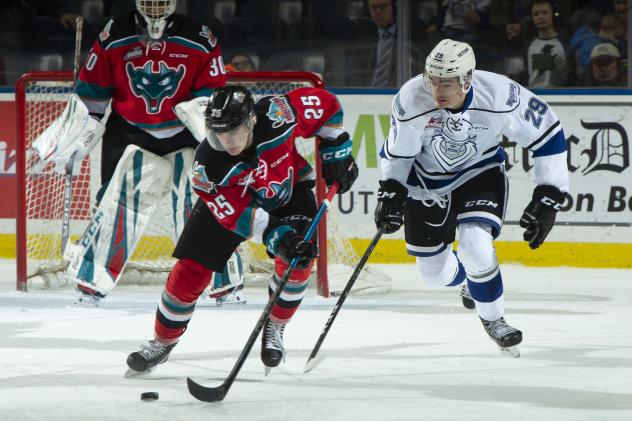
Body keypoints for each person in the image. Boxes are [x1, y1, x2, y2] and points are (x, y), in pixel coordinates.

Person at [125, 85, 359, 375]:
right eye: (219, 133)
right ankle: (161, 342)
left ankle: (275, 325)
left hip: (289, 191)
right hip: (239, 208)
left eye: (233, 131)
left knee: (298, 263)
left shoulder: (279, 113)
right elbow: (238, 217)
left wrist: (336, 150)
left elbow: (327, 105)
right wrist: (279, 236)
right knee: (190, 272)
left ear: (251, 122)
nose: (227, 140)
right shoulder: (207, 167)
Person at [374, 39, 569, 356]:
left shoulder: (500, 94)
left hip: (479, 173)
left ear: (466, 80)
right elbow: (397, 154)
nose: (437, 90)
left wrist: (550, 194)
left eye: (446, 82)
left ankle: (494, 319)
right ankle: (469, 281)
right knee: (433, 275)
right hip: (426, 182)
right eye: (432, 79)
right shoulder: (411, 98)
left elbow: (548, 134)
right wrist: (391, 190)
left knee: (476, 246)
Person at [60, 0, 229, 306]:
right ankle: (90, 281)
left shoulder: (199, 37)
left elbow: (213, 93)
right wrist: (78, 129)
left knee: (201, 202)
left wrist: (209, 127)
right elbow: (93, 92)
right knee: (113, 201)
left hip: (184, 131)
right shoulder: (114, 34)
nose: (155, 7)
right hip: (129, 129)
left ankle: (222, 284)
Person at [526, 0, 569, 87]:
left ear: (553, 15)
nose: (540, 17)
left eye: (545, 13)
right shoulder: (528, 45)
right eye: (536, 14)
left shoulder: (565, 43)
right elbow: (527, 73)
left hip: (560, 96)